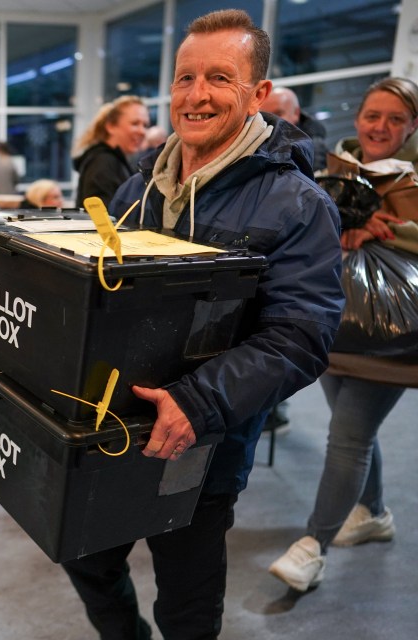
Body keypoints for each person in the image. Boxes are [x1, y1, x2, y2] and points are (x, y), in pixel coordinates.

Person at [61, 10, 344, 639]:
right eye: (185, 77)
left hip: (203, 446)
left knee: (186, 604)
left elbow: (301, 335)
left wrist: (197, 401)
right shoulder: (138, 191)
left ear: (259, 94)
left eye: (220, 77)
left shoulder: (298, 204)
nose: (197, 94)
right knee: (84, 556)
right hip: (110, 428)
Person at [268, 77, 418, 593]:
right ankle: (374, 513)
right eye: (373, 115)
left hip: (395, 335)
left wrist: (390, 229)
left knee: (349, 435)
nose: (381, 127)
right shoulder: (338, 166)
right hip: (336, 319)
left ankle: (313, 547)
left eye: (396, 119)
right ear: (359, 119)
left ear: (412, 126)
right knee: (351, 427)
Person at [73, 95, 149, 208]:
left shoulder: (113, 161)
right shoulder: (103, 162)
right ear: (111, 127)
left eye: (145, 125)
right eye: (135, 123)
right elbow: (101, 216)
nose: (142, 131)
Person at [261, 86, 329, 172]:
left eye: (278, 114)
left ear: (296, 113)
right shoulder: (260, 140)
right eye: (266, 116)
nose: (271, 121)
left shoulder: (313, 149)